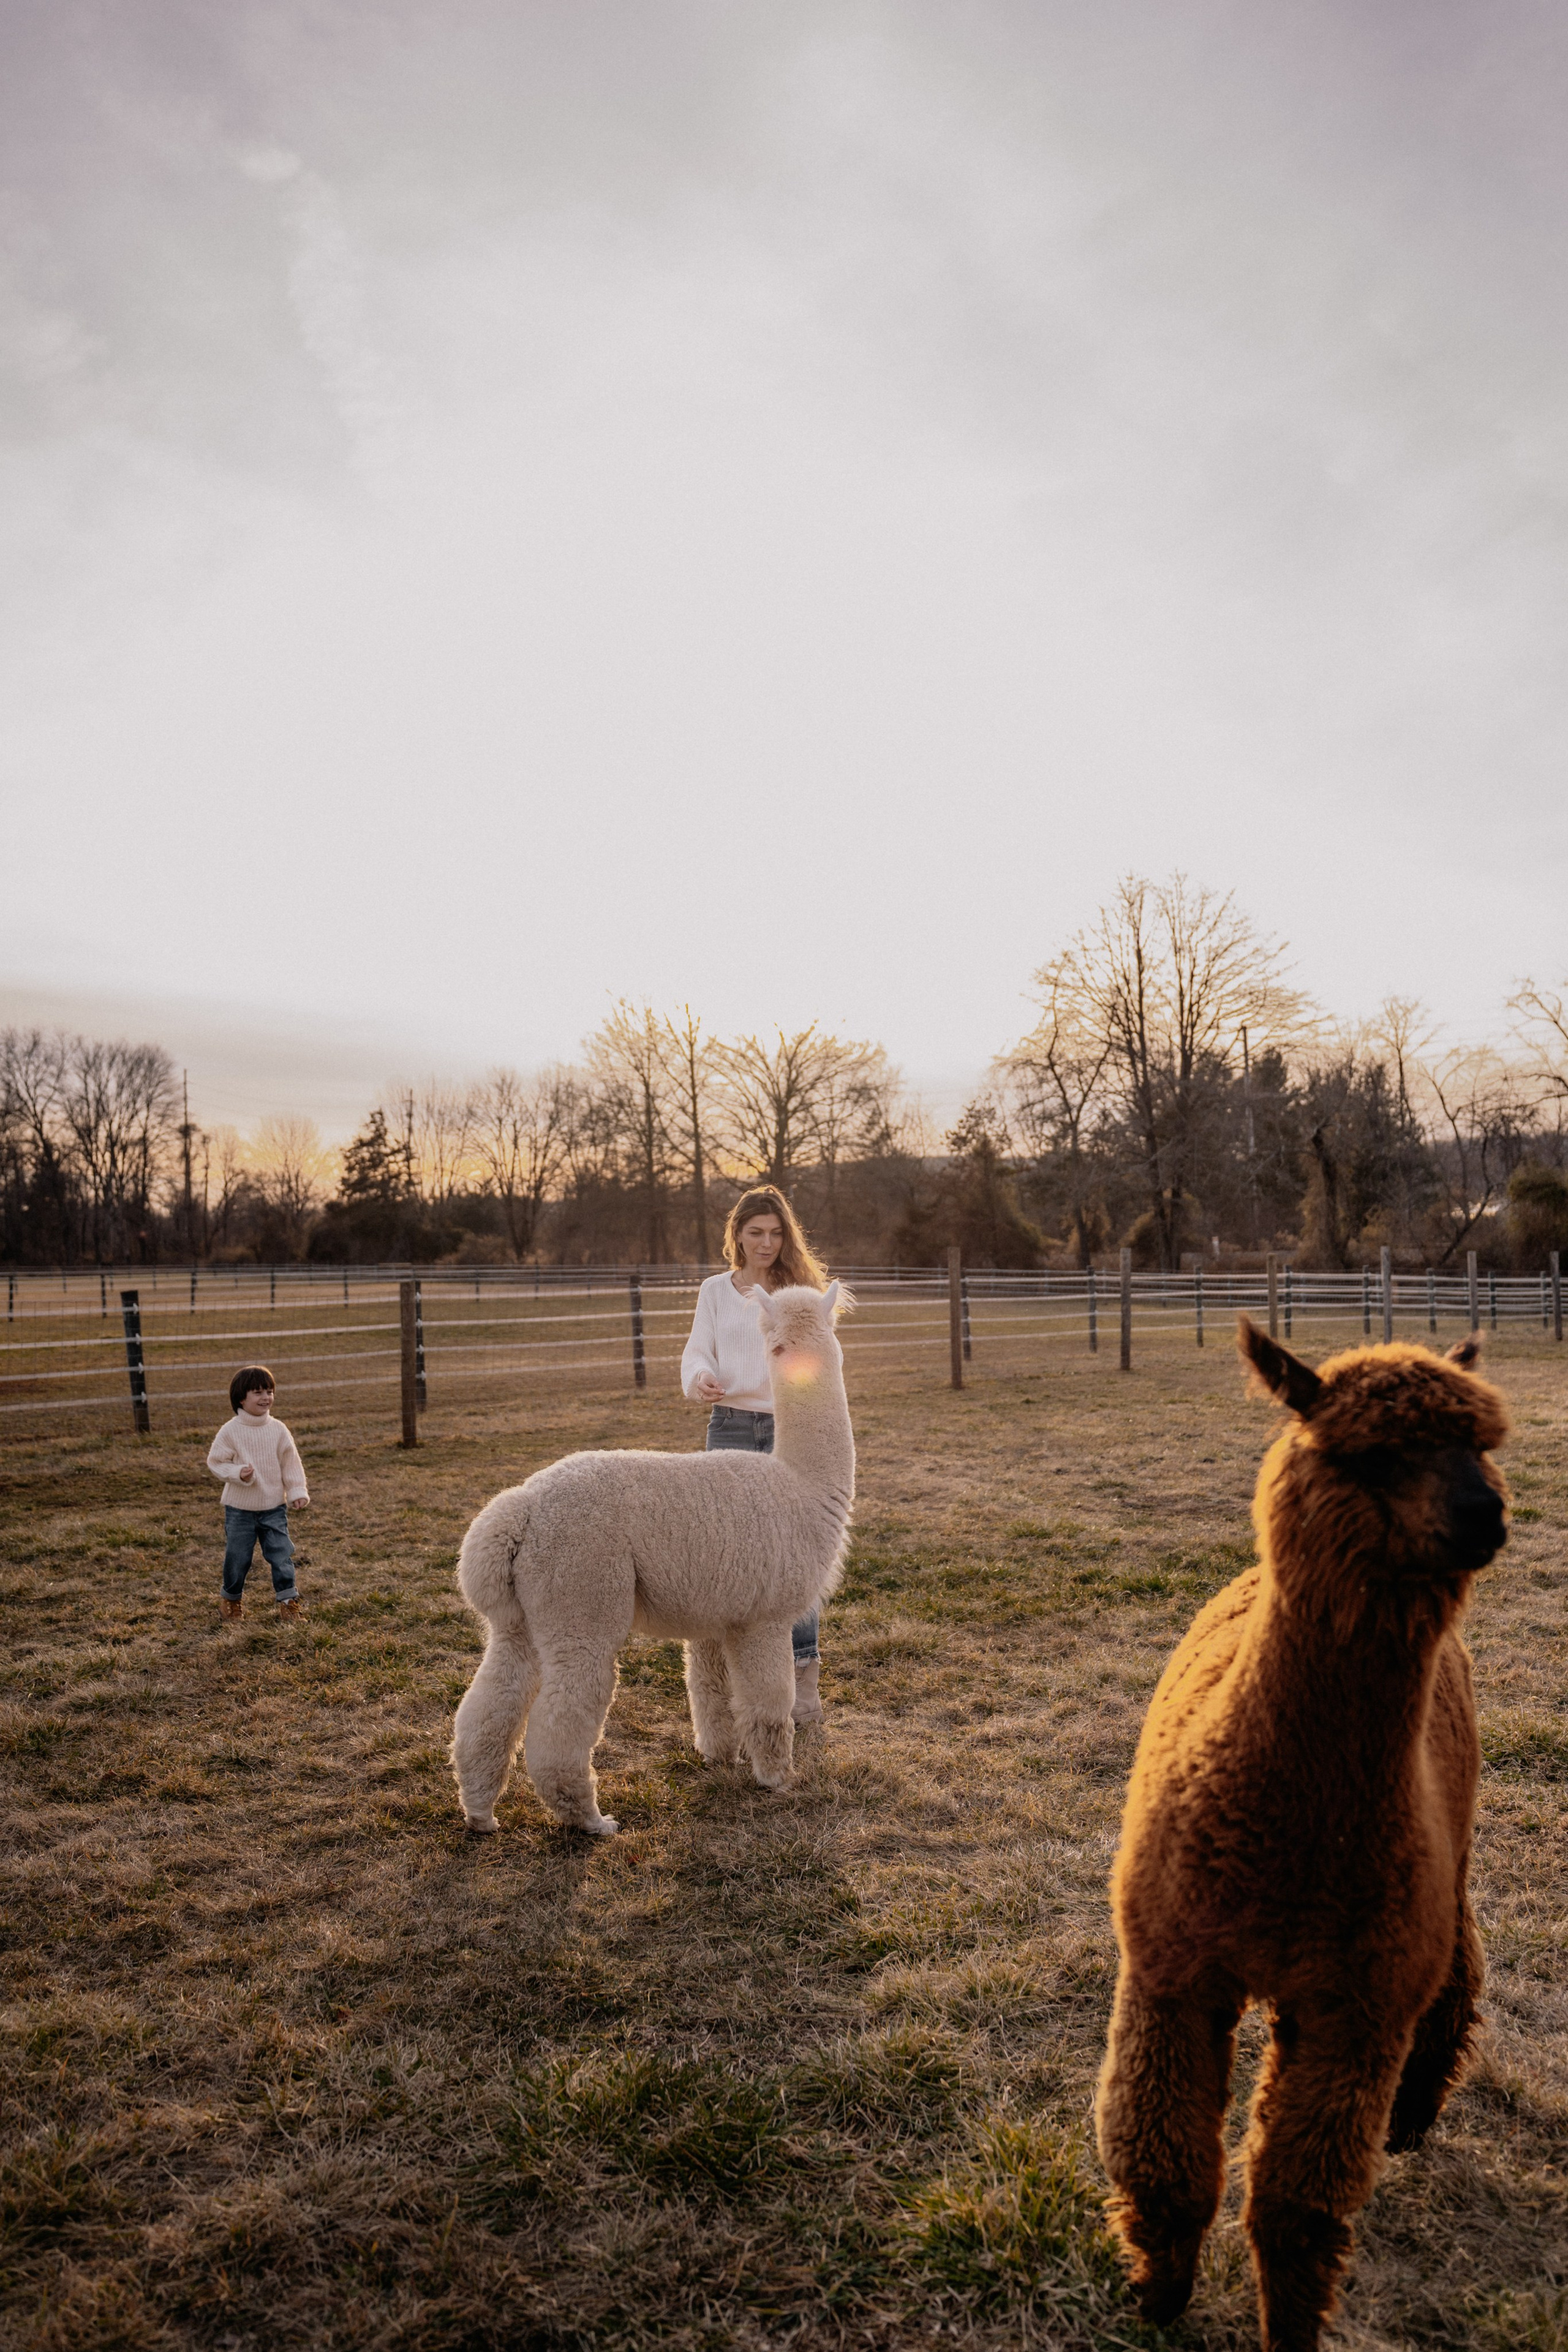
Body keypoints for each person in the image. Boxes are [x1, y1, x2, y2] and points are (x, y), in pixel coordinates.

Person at [681, 1186, 832, 1723]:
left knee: (798, 1560)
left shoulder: (801, 1293)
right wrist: (700, 1378)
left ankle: (802, 1679)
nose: (766, 1243)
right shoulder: (716, 1291)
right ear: (737, 1236)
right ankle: (730, 1681)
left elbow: (817, 1362)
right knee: (725, 1555)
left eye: (775, 1233)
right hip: (729, 1428)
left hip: (790, 1433)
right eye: (755, 1233)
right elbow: (698, 1348)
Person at [206, 1365, 310, 1621]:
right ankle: (231, 1602)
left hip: (274, 1507)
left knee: (281, 1554)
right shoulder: (231, 1431)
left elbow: (291, 1463)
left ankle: (288, 1602)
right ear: (242, 1398)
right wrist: (238, 1472)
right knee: (238, 1558)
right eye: (258, 1392)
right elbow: (216, 1462)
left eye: (270, 1391)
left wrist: (297, 1490)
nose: (266, 1398)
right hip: (240, 1510)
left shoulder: (278, 1430)